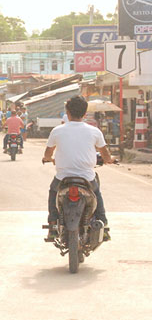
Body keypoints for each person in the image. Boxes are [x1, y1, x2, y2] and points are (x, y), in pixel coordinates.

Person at [42, 95, 114, 239]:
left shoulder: (57, 130)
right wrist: (110, 160)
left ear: (67, 112)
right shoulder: (94, 131)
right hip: (87, 177)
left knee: (53, 193)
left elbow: (48, 153)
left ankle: (53, 225)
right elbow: (106, 155)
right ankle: (104, 226)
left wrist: (49, 159)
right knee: (97, 194)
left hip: (63, 178)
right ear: (85, 113)